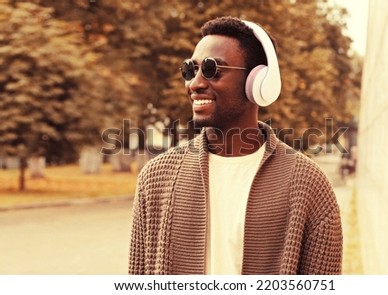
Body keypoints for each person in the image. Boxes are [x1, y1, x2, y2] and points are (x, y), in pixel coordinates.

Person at [129, 16, 342, 275]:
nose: (195, 83)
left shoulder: (308, 185)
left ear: (258, 82)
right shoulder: (155, 179)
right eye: (189, 70)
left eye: (211, 69)